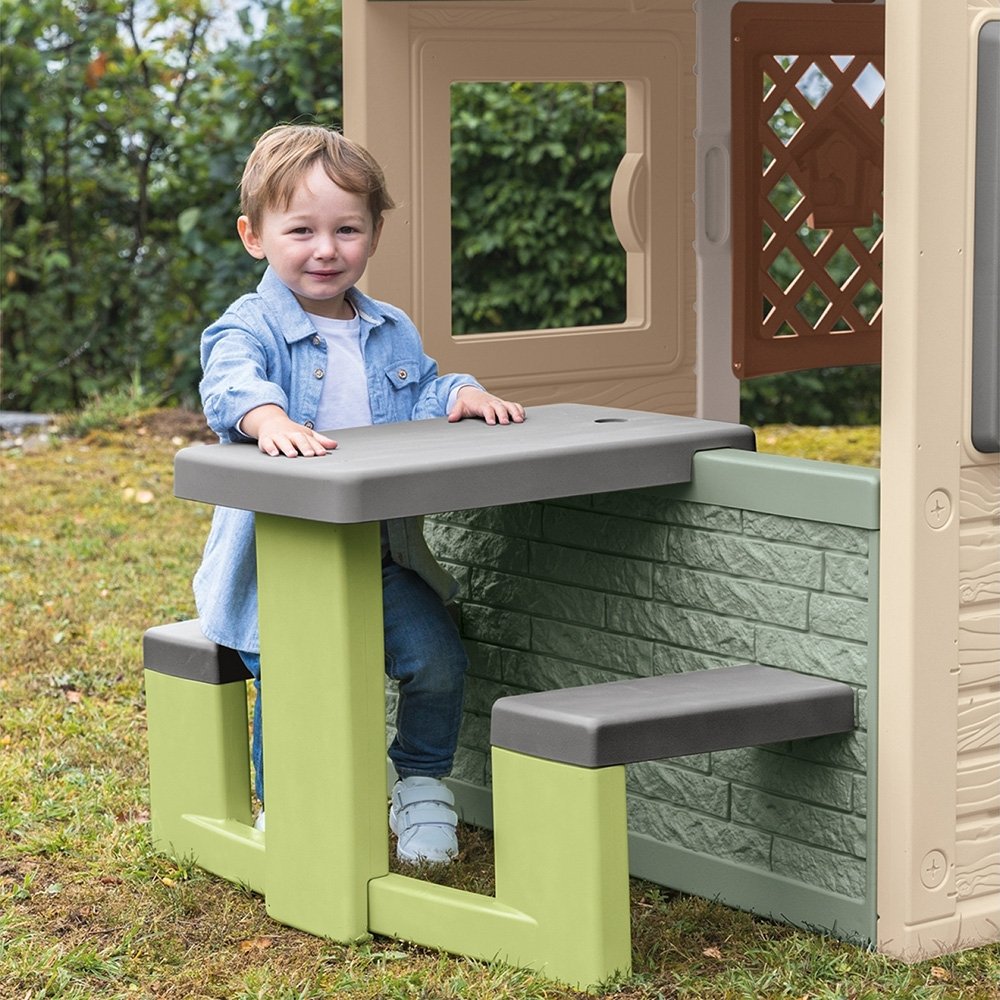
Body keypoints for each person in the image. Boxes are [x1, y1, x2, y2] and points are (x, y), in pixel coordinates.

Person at [193, 123, 524, 863]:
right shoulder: (249, 326)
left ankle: (421, 783)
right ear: (254, 236)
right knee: (297, 681)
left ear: (373, 233)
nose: (326, 249)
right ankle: (291, 807)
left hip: (381, 556)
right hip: (283, 565)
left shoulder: (389, 328)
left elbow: (422, 389)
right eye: (301, 230)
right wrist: (268, 417)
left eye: (347, 229)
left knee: (437, 660)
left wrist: (460, 394)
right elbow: (229, 382)